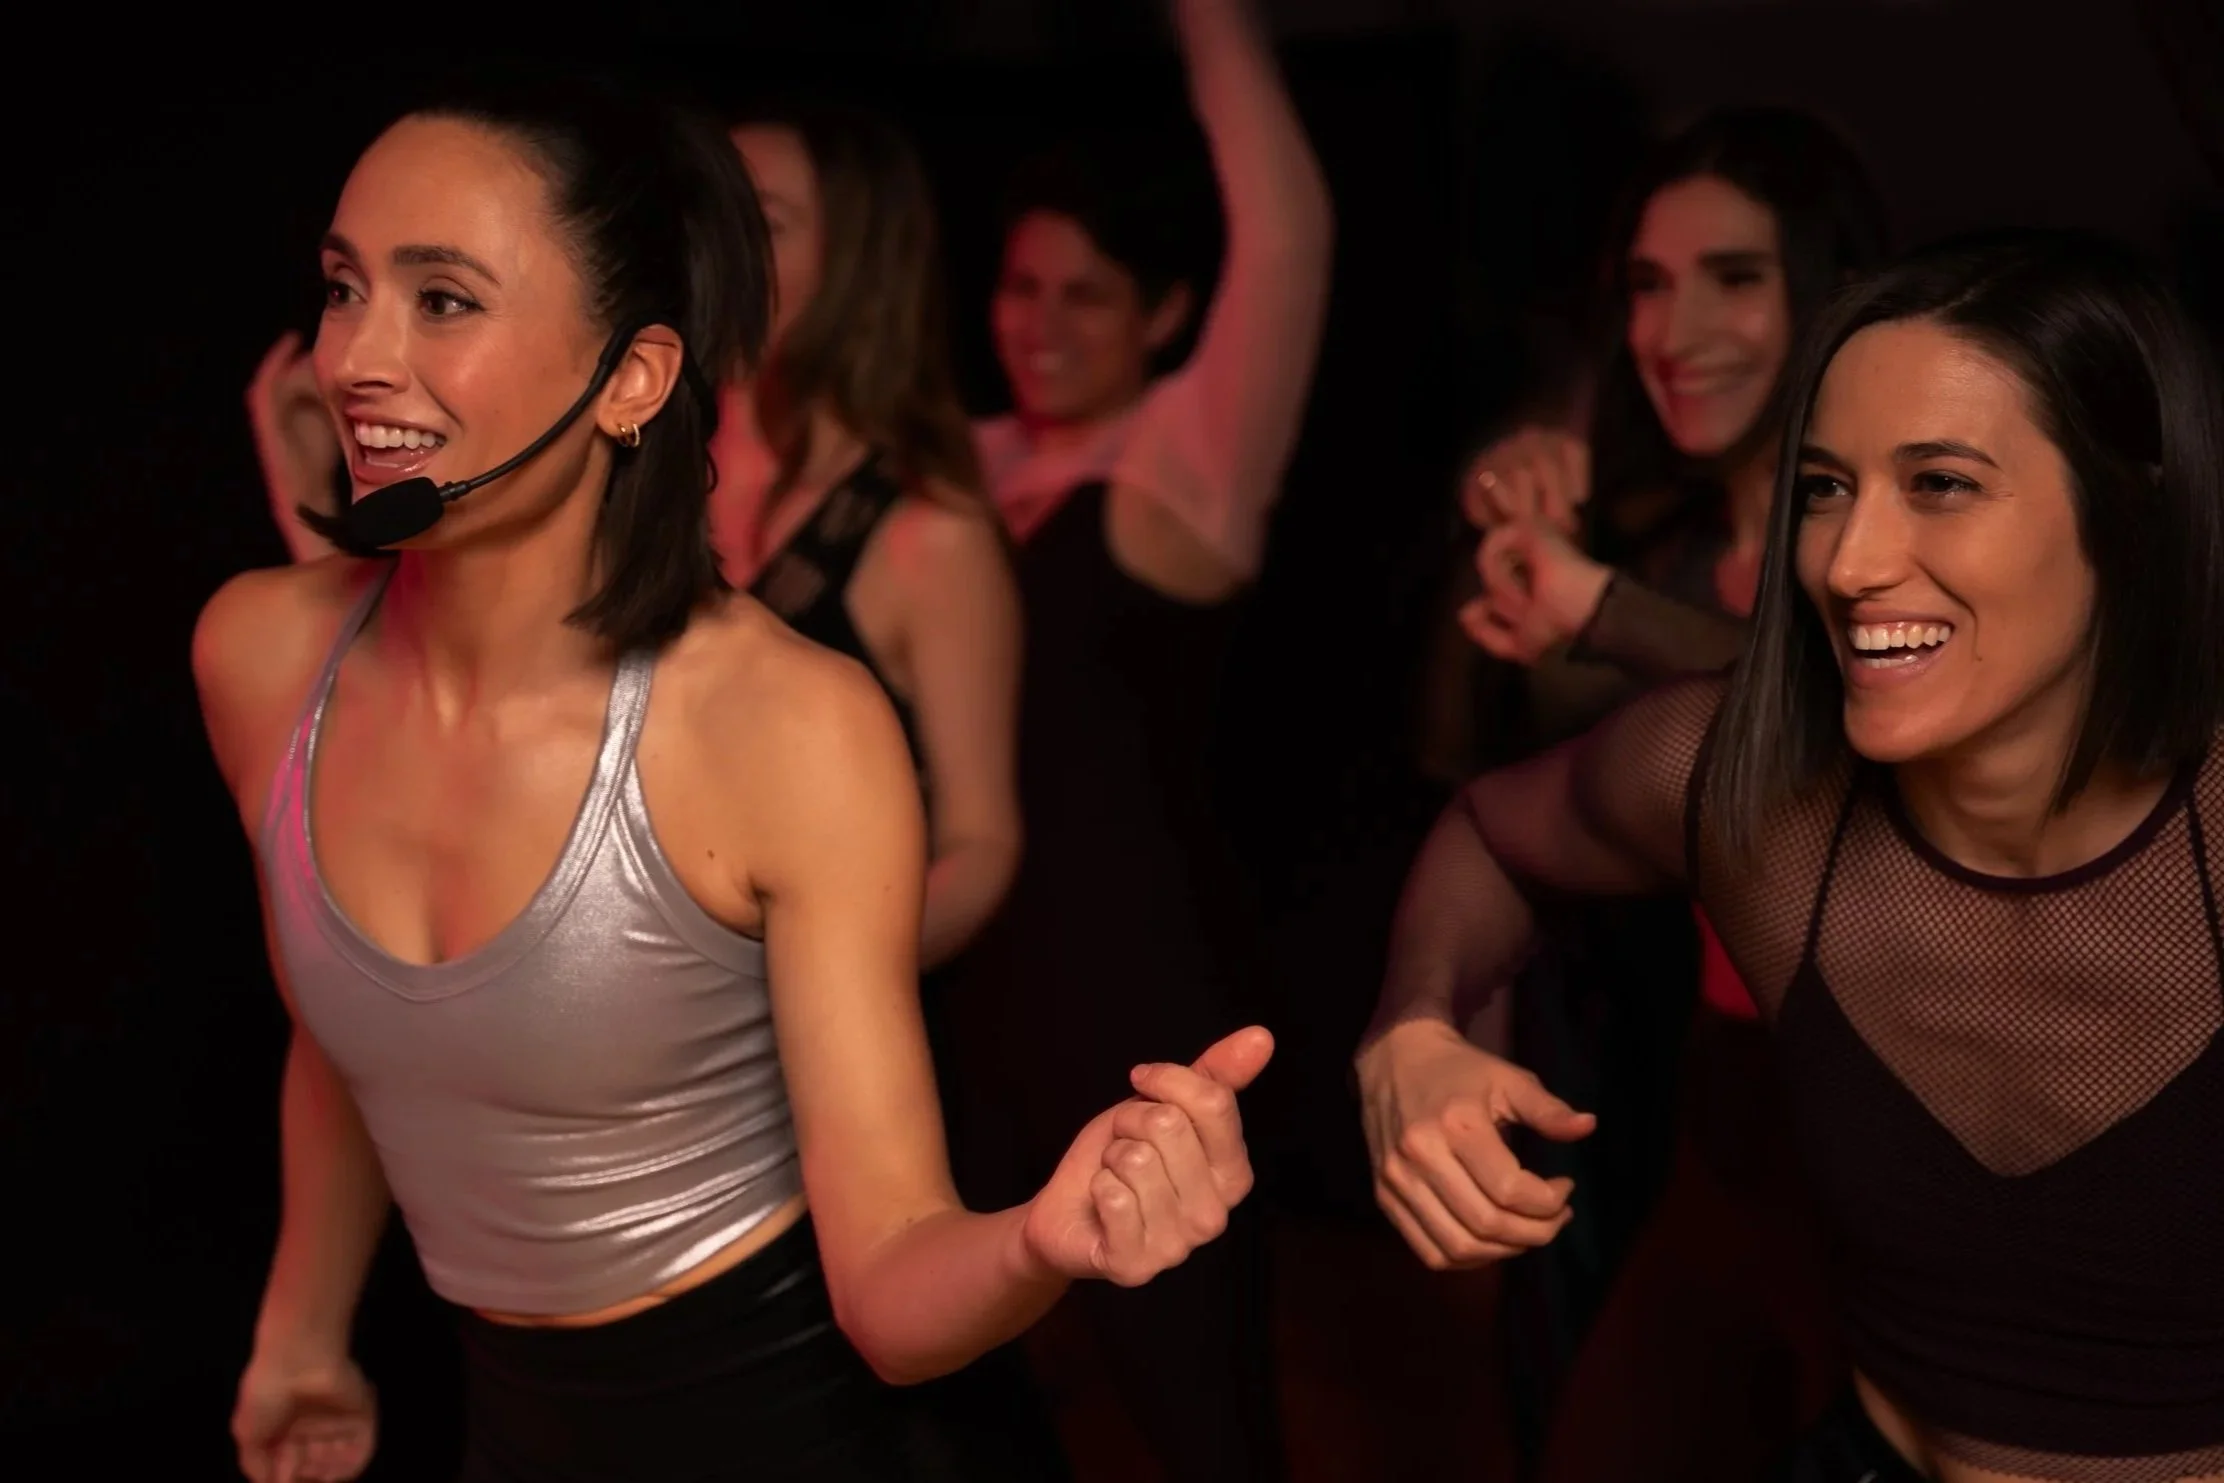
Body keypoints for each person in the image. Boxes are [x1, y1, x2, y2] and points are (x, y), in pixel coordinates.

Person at [195, 73, 1273, 1483]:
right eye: (344, 289)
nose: (353, 356)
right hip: (514, 1422)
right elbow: (347, 1038)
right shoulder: (260, 656)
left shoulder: (783, 728)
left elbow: (891, 1289)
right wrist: (300, 1333)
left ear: (633, 380)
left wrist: (1038, 1238)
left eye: (442, 299)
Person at [1357, 228, 2224, 1481]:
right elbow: (1493, 832)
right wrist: (1412, 1027)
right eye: (1825, 486)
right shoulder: (1753, 801)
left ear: (2126, 511)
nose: (1849, 563)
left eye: (1940, 482)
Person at [1441, 109, 1889, 1478]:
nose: (1674, 325)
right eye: (1647, 283)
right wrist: (1524, 523)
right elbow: (1465, 758)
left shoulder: (1889, 538)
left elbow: (1835, 740)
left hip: (1857, 1138)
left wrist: (1609, 609)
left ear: (1826, 293)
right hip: (1644, 1097)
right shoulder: (1656, 533)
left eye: (1733, 277)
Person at [936, 0, 1331, 1476]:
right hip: (957, 987)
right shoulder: (958, 463)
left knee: (1195, 1405)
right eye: (1021, 288)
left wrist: (1214, 21)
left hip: (1134, 991)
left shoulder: (1188, 458)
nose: (1039, 324)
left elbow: (1288, 235)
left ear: (1166, 314)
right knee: (941, 1377)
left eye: (1085, 295)